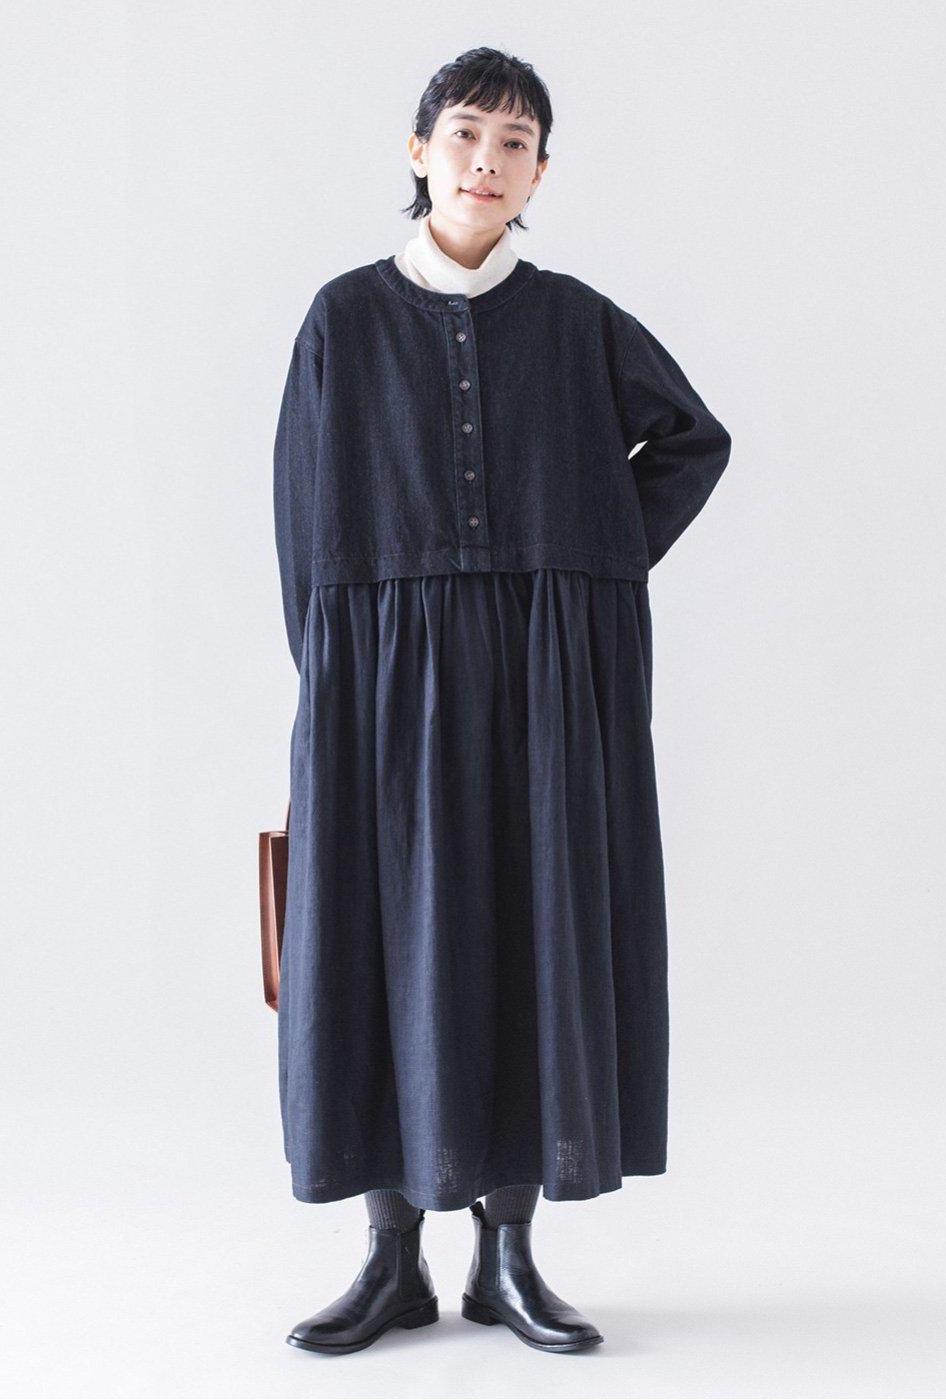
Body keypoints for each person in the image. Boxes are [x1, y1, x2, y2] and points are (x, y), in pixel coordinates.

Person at [271, 46, 732, 1355]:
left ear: (538, 173)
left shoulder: (578, 322)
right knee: (381, 936)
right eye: (467, 134)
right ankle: (391, 1260)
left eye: (515, 143)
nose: (488, 160)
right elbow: (304, 523)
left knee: (536, 929)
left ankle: (510, 1259)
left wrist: (586, 562)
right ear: (420, 151)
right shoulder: (343, 321)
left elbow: (693, 441)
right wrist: (338, 690)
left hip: (544, 681)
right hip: (383, 683)